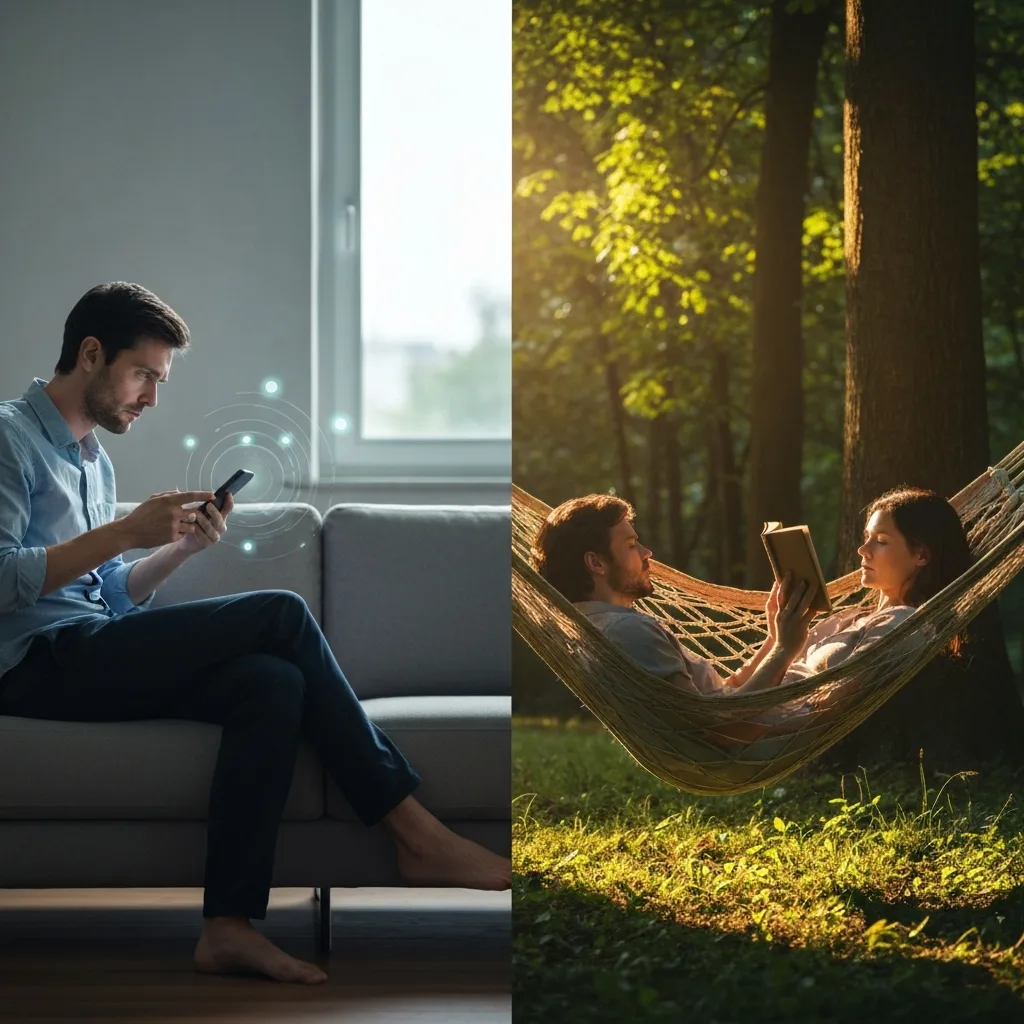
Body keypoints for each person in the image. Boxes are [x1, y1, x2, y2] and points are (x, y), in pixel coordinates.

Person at [0, 282, 511, 986]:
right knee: (280, 614)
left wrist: (180, 549)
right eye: (143, 374)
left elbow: (109, 594)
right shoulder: (10, 438)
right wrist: (123, 531)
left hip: (87, 648)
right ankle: (416, 832)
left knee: (272, 683)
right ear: (91, 354)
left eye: (160, 380)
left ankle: (228, 927)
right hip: (30, 663)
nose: (152, 398)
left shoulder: (93, 459)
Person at [530, 487, 969, 712]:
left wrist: (776, 641)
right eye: (631, 545)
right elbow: (726, 726)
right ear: (596, 563)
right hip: (758, 732)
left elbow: (725, 696)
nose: (647, 554)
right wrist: (785, 648)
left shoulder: (601, 628)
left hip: (764, 718)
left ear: (922, 555)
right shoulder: (629, 631)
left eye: (881, 541)